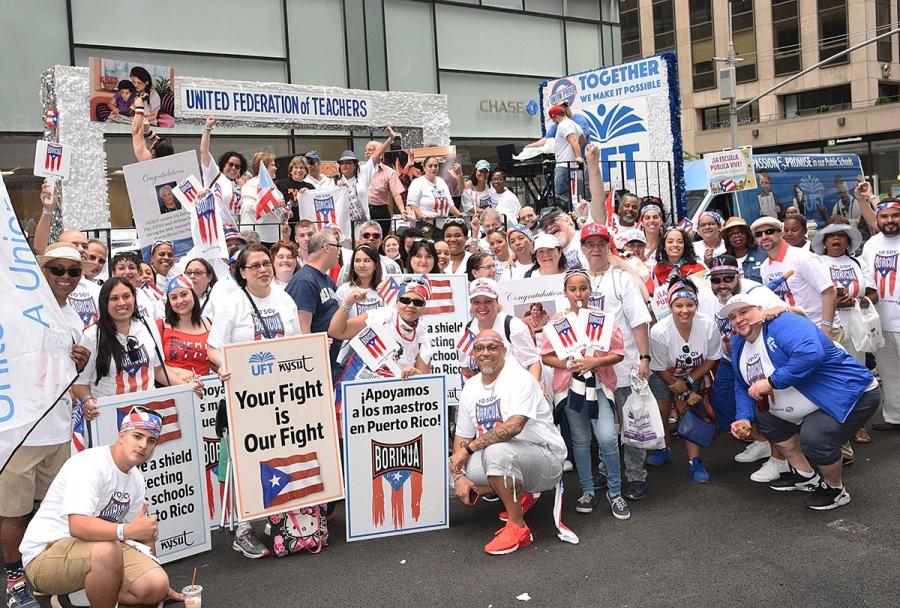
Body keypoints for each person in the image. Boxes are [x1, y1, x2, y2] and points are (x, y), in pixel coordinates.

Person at [0, 244, 92, 608]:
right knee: (15, 513)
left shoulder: (74, 318)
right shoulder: (16, 308)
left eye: (74, 271)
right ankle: (15, 582)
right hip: (21, 431)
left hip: (58, 429)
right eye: (57, 269)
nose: (66, 277)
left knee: (54, 512)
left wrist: (78, 363)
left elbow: (68, 375)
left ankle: (48, 575)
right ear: (42, 271)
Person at [726, 294, 880, 509]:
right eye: (733, 317)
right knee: (766, 419)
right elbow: (741, 384)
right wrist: (743, 417)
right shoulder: (739, 343)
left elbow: (810, 354)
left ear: (760, 309)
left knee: (816, 437)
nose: (738, 319)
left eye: (744, 312)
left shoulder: (782, 322)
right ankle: (806, 476)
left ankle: (835, 489)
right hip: (804, 405)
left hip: (846, 394)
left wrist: (771, 382)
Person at [19, 409, 184, 608]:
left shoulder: (136, 479)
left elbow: (141, 536)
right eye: (138, 436)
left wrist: (155, 579)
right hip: (45, 556)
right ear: (121, 435)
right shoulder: (91, 465)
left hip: (95, 550)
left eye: (151, 441)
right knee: (108, 550)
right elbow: (78, 526)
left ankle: (73, 598)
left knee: (155, 586)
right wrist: (127, 530)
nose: (143, 445)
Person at [207, 244, 300, 559]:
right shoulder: (231, 305)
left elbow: (296, 344)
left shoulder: (285, 300)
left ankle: (276, 520)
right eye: (255, 266)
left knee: (278, 455)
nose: (263, 270)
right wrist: (223, 366)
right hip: (243, 396)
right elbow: (212, 348)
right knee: (244, 460)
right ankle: (243, 529)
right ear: (242, 273)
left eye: (266, 263)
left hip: (281, 395)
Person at [449, 330, 567, 555]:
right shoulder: (470, 387)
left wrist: (469, 450)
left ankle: (518, 528)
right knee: (457, 475)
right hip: (509, 457)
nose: (485, 353)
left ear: (504, 351)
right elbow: (462, 437)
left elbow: (514, 426)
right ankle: (520, 492)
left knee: (495, 452)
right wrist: (458, 476)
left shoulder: (520, 378)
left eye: (492, 347)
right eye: (479, 348)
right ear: (473, 354)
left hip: (545, 458)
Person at [541, 270, 630, 517]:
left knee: (608, 437)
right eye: (573, 289)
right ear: (565, 292)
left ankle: (615, 492)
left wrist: (595, 362)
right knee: (580, 440)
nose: (578, 294)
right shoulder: (556, 323)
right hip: (571, 388)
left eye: (583, 288)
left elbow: (619, 352)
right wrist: (569, 364)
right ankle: (588, 491)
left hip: (599, 385)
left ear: (590, 290)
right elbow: (546, 356)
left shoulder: (603, 319)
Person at [579, 223, 654, 500]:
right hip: (593, 368)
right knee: (603, 426)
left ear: (608, 247)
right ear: (582, 248)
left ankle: (635, 475)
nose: (595, 249)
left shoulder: (622, 279)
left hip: (625, 365)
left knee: (632, 422)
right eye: (590, 244)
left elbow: (638, 321)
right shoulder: (578, 279)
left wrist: (644, 358)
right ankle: (605, 469)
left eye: (601, 243)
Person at [698, 255, 787, 482]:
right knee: (722, 400)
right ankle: (761, 441)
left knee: (770, 407)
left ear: (739, 275)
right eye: (716, 280)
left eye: (728, 278)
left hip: (762, 357)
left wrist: (776, 311)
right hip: (731, 358)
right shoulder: (708, 297)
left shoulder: (757, 292)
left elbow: (785, 311)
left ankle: (781, 459)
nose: (722, 285)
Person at [72, 277, 198, 402]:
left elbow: (158, 369)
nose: (122, 303)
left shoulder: (148, 325)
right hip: (111, 410)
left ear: (134, 298)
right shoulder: (92, 336)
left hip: (149, 408)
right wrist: (87, 400)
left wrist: (188, 387)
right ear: (104, 303)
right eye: (114, 298)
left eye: (126, 296)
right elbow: (79, 383)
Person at [648, 279, 724, 482]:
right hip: (664, 373)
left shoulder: (708, 325)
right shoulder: (659, 331)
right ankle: (663, 448)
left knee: (689, 412)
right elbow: (659, 367)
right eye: (679, 305)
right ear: (670, 307)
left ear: (696, 305)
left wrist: (688, 383)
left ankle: (695, 461)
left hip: (693, 372)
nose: (685, 310)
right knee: (661, 411)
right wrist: (682, 389)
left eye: (690, 305)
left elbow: (712, 358)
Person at [329, 276, 434, 379]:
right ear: (397, 302)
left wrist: (414, 374)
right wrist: (348, 302)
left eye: (418, 302)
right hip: (358, 383)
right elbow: (336, 332)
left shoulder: (422, 336)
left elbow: (424, 379)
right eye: (405, 300)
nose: (411, 305)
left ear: (424, 308)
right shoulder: (379, 317)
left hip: (392, 388)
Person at [753, 216, 836, 335]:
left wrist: (826, 327)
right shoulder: (765, 267)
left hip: (818, 328)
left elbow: (829, 291)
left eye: (769, 231)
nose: (764, 237)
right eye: (758, 234)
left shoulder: (802, 258)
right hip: (794, 332)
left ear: (781, 233)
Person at [860, 198, 900, 431]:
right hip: (880, 321)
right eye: (884, 216)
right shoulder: (871, 244)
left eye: (895, 215)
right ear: (877, 219)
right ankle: (894, 417)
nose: (890, 220)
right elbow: (865, 279)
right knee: (889, 372)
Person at [463, 278, 542, 383]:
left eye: (488, 301)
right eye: (476, 302)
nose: (482, 306)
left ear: (497, 302)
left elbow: (532, 362)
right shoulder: (467, 329)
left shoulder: (513, 326)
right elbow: (465, 368)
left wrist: (534, 387)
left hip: (515, 387)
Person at [285, 231, 342, 373]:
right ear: (326, 247)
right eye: (337, 247)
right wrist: (314, 351)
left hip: (331, 361)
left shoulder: (326, 279)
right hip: (316, 365)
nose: (339, 252)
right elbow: (302, 329)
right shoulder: (304, 281)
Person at [157, 275, 212, 377]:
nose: (180, 301)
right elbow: (155, 367)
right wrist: (180, 374)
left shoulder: (209, 323)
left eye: (184, 294)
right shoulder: (161, 326)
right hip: (174, 385)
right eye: (174, 297)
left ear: (193, 295)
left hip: (207, 384)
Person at [199, 117, 247, 216]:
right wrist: (208, 127)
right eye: (231, 164)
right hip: (216, 224)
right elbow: (204, 151)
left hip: (234, 225)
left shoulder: (239, 188)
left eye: (237, 166)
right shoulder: (215, 175)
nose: (233, 168)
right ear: (224, 164)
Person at [240, 152, 289, 247]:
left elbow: (280, 214)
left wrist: (286, 214)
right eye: (272, 165)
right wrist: (273, 204)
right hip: (257, 239)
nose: (276, 168)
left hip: (275, 238)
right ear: (263, 167)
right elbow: (250, 208)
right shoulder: (250, 185)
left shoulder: (275, 188)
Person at [405, 156, 464, 227]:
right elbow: (412, 204)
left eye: (436, 166)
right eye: (430, 166)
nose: (433, 168)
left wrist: (459, 214)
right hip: (424, 225)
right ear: (424, 168)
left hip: (443, 223)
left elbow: (449, 204)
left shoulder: (441, 181)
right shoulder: (417, 182)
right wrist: (422, 216)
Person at [364, 134, 406, 233]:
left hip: (380, 211)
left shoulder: (389, 172)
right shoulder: (360, 170)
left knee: (380, 237)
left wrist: (402, 210)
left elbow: (396, 193)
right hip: (363, 209)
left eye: (370, 150)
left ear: (380, 152)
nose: (367, 152)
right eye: (365, 150)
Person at [547, 104, 583, 205]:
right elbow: (582, 139)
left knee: (559, 199)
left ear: (556, 117)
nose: (554, 122)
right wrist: (576, 154)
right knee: (574, 198)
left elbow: (573, 139)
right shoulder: (574, 124)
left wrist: (578, 156)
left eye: (553, 119)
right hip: (573, 166)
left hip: (563, 165)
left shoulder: (563, 125)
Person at [722, 216, 766, 283]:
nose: (736, 236)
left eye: (740, 232)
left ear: (747, 234)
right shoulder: (722, 260)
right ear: (727, 238)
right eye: (731, 234)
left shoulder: (763, 254)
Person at [639, 199, 665, 267]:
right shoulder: (636, 245)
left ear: (661, 221)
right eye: (647, 218)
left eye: (655, 217)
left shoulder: (667, 244)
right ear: (641, 222)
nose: (652, 220)